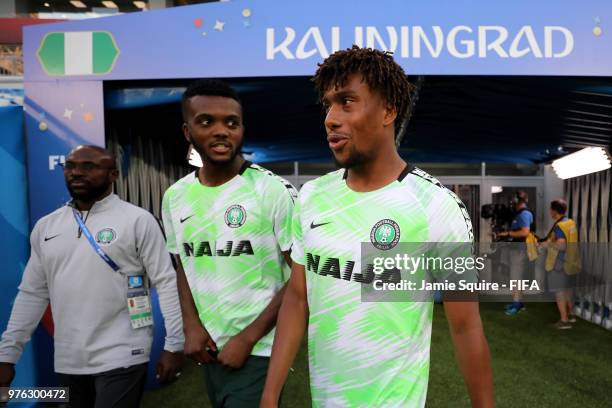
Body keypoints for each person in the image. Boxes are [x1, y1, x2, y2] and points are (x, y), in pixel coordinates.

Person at [260, 46, 493, 408]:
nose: (331, 118)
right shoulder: (312, 198)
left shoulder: (436, 206)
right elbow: (297, 296)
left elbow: (465, 325)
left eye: (347, 102)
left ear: (388, 110)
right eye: (328, 105)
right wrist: (270, 393)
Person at [0, 145, 184, 408]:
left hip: (125, 353)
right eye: (71, 166)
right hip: (68, 359)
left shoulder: (138, 220)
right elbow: (33, 294)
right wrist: (7, 355)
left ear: (113, 175)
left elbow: (167, 282)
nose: (76, 173)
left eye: (89, 167)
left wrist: (175, 344)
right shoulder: (46, 227)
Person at [162, 79, 296, 407]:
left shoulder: (272, 191)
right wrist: (191, 327)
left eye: (231, 123)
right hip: (209, 349)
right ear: (187, 131)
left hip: (261, 350)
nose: (221, 130)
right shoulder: (175, 196)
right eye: (206, 121)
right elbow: (183, 265)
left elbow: (302, 279)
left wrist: (249, 337)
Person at [540, 199, 579, 329]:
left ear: (554, 211)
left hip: (559, 263)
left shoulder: (560, 226)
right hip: (570, 261)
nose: (550, 211)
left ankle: (564, 321)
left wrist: (546, 244)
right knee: (568, 289)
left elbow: (561, 245)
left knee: (559, 291)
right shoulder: (570, 223)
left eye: (551, 209)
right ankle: (571, 315)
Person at [496, 191, 534, 316]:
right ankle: (518, 303)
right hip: (516, 249)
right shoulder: (519, 214)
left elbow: (525, 232)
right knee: (517, 278)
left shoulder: (524, 214)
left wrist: (508, 234)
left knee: (516, 278)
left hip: (519, 250)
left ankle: (516, 304)